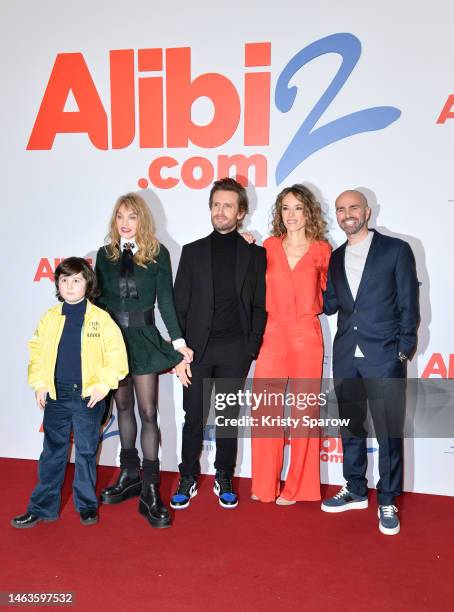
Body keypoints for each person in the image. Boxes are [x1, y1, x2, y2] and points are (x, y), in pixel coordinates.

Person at [321, 190, 419, 535]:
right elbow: (331, 304)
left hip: (384, 357)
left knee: (389, 433)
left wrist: (403, 351)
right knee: (351, 428)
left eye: (353, 208)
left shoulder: (395, 250)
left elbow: (409, 303)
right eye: (340, 209)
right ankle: (356, 488)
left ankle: (388, 499)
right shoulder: (334, 258)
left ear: (367, 211)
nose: (347, 214)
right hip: (347, 355)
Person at [96, 193, 192, 528]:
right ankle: (129, 475)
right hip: (113, 341)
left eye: (132, 216)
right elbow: (97, 301)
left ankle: (151, 489)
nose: (125, 222)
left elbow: (166, 300)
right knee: (123, 408)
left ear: (143, 220)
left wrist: (179, 342)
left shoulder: (158, 254)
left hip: (144, 337)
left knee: (148, 411)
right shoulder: (104, 256)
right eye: (120, 215)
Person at [170, 177, 267, 510]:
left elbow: (259, 305)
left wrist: (250, 349)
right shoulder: (192, 252)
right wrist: (178, 355)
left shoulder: (254, 254)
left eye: (228, 205)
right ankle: (188, 476)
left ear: (241, 212)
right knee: (193, 416)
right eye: (216, 204)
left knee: (227, 418)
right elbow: (178, 307)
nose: (220, 211)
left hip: (234, 351)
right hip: (195, 351)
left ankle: (224, 475)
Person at [11, 257, 128, 528]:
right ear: (57, 285)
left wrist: (102, 385)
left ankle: (86, 505)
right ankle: (42, 507)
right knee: (52, 452)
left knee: (86, 452)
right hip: (56, 395)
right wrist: (39, 383)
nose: (70, 285)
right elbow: (37, 353)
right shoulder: (50, 318)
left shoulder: (102, 319)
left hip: (88, 396)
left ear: (87, 283)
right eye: (64, 280)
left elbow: (117, 358)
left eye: (76, 280)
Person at [250, 185, 331, 504]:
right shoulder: (268, 246)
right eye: (286, 208)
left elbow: (331, 292)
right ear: (279, 213)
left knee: (304, 414)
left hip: (307, 335)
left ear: (309, 211)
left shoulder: (322, 250)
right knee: (265, 413)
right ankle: (264, 485)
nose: (292, 214)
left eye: (298, 208)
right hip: (271, 333)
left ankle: (299, 487)